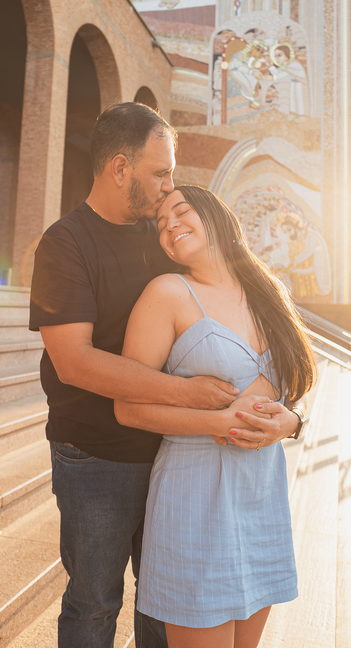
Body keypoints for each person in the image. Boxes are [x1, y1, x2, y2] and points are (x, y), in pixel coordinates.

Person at [29, 102, 302, 648]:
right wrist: (195, 398)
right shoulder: (65, 244)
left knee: (164, 604)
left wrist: (284, 417)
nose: (169, 189)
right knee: (94, 602)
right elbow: (74, 361)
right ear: (121, 169)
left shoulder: (161, 237)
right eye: (161, 173)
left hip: (172, 452)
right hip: (96, 455)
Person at [114, 185, 316, 648]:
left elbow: (297, 382)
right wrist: (214, 423)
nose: (169, 227)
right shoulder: (167, 292)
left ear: (217, 217)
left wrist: (292, 423)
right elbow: (127, 407)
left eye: (180, 212)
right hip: (195, 497)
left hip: (261, 495)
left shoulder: (268, 292)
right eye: (161, 225)